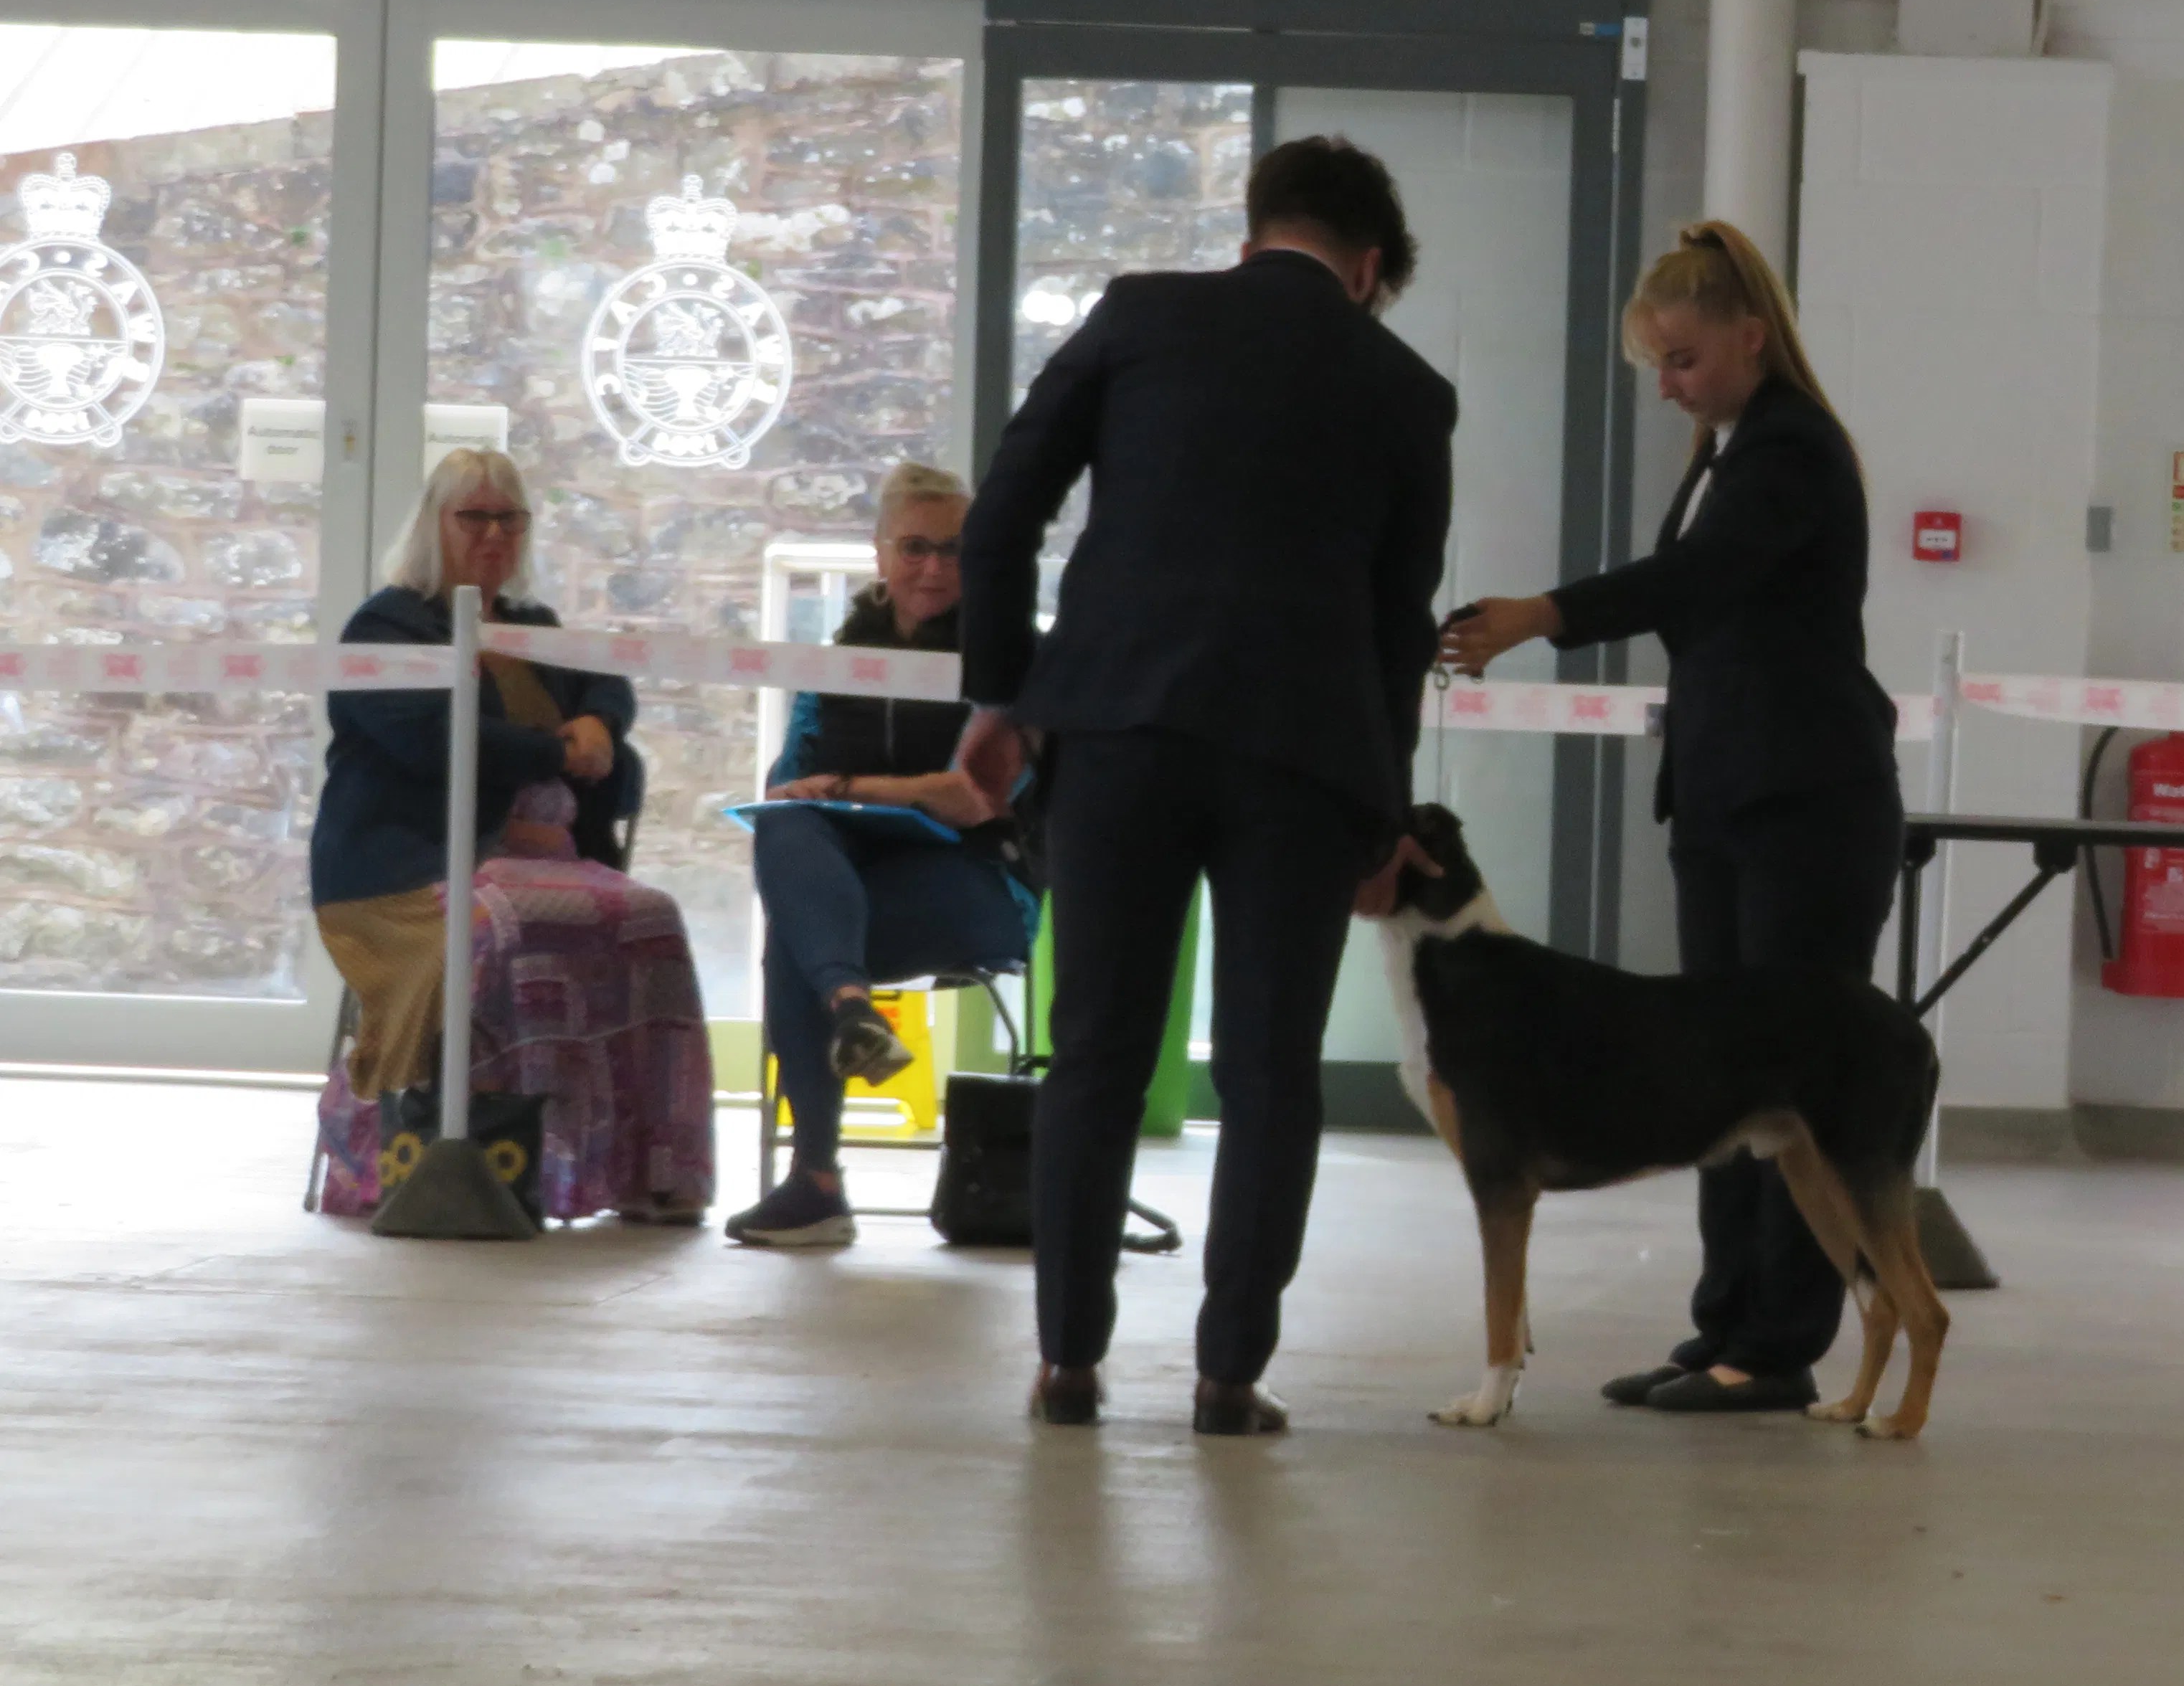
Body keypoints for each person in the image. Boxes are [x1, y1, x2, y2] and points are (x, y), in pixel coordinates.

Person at [958, 135, 1456, 1434]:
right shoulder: (1408, 389)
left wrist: (1002, 694)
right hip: (1303, 760)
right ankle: (1230, 1376)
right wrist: (1382, 813)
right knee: (1270, 1068)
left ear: (1250, 236)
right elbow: (1399, 623)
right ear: (1368, 269)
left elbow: (1000, 514)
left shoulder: (1138, 316)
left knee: (1096, 1052)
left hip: (1116, 732)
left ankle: (1069, 1362)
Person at [1442, 218, 1899, 1415]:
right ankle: (1724, 1322)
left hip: (1805, 806)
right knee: (1712, 1078)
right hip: (1724, 796)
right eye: (1658, 363)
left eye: (1683, 359)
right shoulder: (1725, 450)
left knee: (1791, 1079)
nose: (1668, 385)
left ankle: (1780, 1344)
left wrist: (1540, 613)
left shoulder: (1792, 451)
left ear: (1751, 337)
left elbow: (1696, 582)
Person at [309, 447, 716, 1224]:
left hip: (544, 862)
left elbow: (604, 681)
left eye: (510, 518)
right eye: (475, 517)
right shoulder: (385, 626)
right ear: (435, 525)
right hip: (407, 870)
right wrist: (555, 752)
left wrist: (600, 722)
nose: (494, 534)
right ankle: (460, 1155)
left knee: (654, 921)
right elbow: (433, 738)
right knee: (496, 931)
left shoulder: (534, 625)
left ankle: (655, 1170)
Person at [727, 463, 1039, 1249]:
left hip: (980, 882)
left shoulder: (1012, 658)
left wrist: (853, 786)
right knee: (785, 827)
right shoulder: (836, 662)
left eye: (953, 549)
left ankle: (815, 1178)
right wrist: (839, 795)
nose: (933, 567)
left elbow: (973, 796)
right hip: (856, 883)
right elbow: (789, 789)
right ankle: (852, 1010)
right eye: (915, 547)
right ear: (880, 553)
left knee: (800, 943)